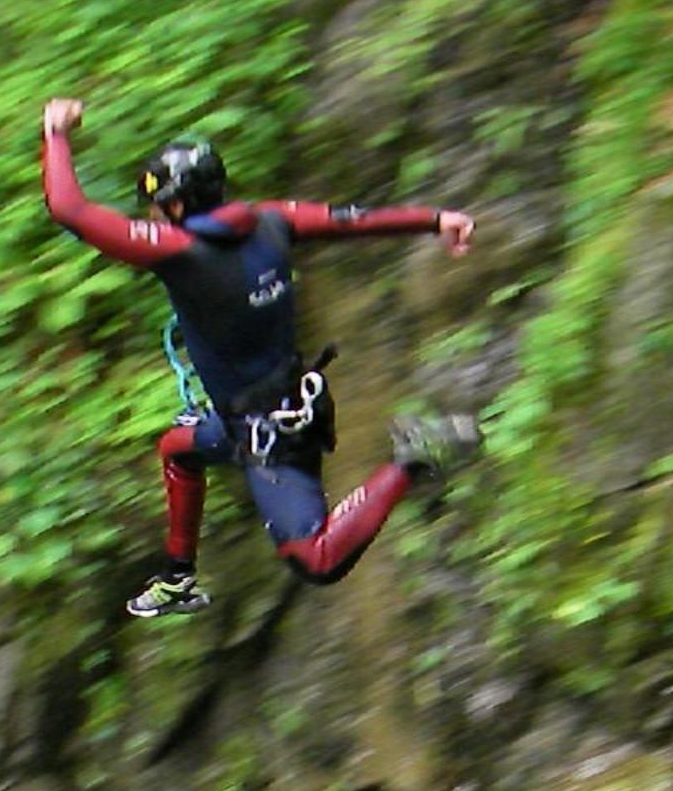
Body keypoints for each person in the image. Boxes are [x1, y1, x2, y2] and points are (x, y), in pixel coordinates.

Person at [41, 97, 478, 618]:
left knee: (317, 559)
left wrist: (56, 133)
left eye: (157, 207)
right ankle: (178, 577)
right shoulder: (271, 220)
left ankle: (411, 459)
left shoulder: (176, 250)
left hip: (272, 433)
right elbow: (349, 221)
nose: (151, 216)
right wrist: (434, 220)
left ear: (177, 205)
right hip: (274, 405)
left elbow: (70, 209)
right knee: (177, 448)